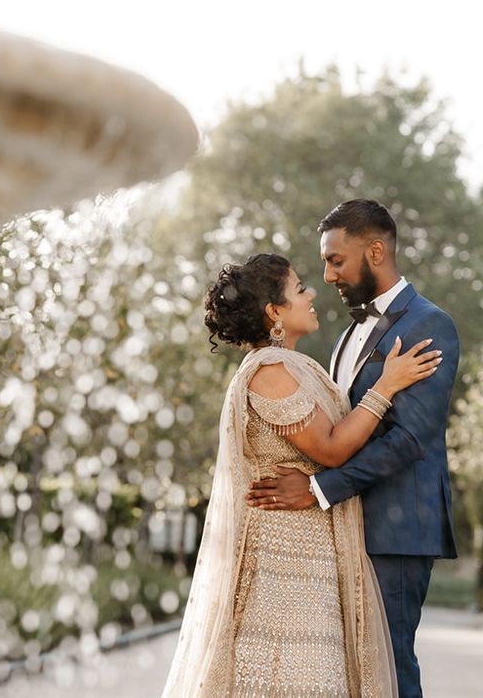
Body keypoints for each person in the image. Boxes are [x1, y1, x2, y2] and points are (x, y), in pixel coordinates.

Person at [162, 252, 441, 697]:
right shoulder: (270, 371)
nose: (311, 294)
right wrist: (386, 387)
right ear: (274, 311)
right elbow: (330, 449)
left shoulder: (296, 366)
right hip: (281, 568)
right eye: (299, 289)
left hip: (308, 557)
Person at [247, 199, 460, 698]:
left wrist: (319, 489)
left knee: (389, 668)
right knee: (350, 672)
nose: (327, 275)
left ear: (377, 251)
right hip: (346, 524)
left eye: (336, 260)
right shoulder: (345, 335)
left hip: (396, 530)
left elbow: (410, 438)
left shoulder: (430, 324)